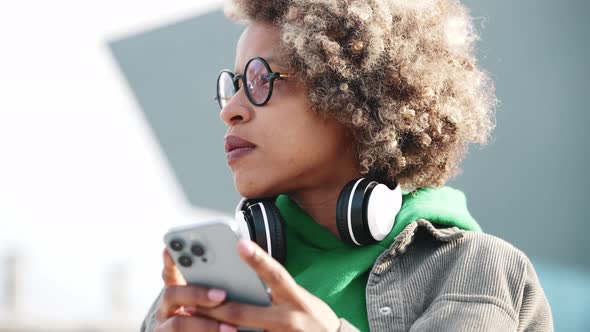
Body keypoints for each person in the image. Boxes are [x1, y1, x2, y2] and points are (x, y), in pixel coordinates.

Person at [142, 0, 553, 331]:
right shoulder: (202, 292)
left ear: (354, 96)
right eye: (231, 86)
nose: (230, 110)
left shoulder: (475, 273)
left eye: (261, 79)